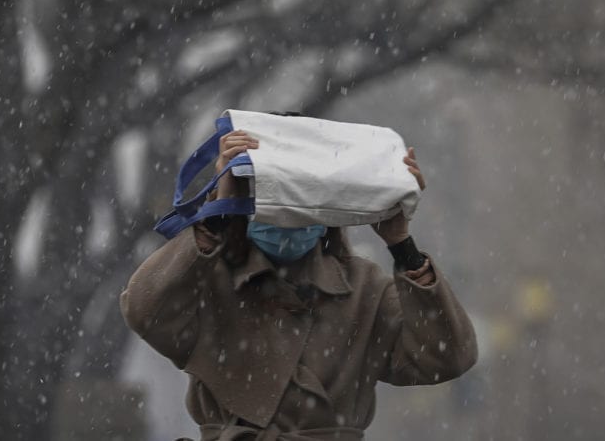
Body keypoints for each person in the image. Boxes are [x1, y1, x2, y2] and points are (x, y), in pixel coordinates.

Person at [120, 126, 477, 440]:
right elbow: (144, 310)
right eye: (274, 187)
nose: (289, 209)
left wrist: (402, 244)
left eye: (304, 192)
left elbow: (444, 358)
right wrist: (217, 211)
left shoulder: (365, 288)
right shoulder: (209, 278)